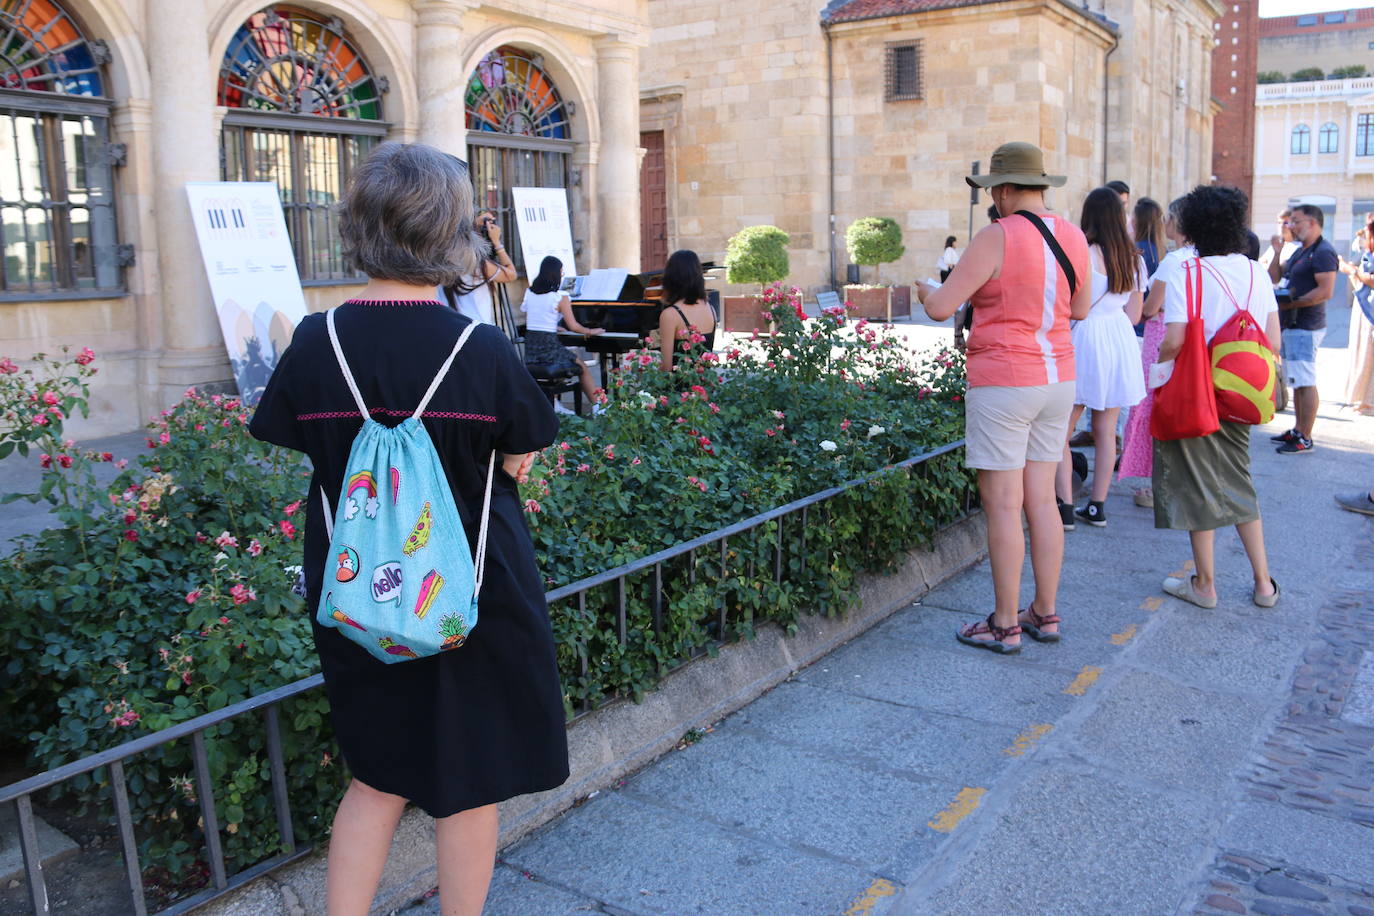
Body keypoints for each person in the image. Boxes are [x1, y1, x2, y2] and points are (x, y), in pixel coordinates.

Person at [248, 142, 568, 914]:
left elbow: (295, 438)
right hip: (473, 595)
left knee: (376, 777)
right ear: (451, 233)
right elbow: (524, 449)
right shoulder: (480, 350)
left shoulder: (315, 343)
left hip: (357, 595)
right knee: (471, 785)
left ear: (359, 226)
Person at [917, 141, 1091, 654]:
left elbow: (940, 307)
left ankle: (1003, 623)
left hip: (1004, 381)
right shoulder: (1074, 236)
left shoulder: (997, 235)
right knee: (1043, 499)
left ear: (1008, 189)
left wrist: (927, 291)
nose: (995, 198)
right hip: (1058, 378)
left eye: (996, 190)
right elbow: (1079, 306)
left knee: (1002, 505)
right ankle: (1045, 612)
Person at [1153, 184, 1280, 610]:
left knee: (1197, 485)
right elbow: (1273, 339)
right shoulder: (1256, 272)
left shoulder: (1187, 273)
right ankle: (1264, 583)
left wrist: (1157, 370)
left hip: (1196, 393)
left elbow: (1173, 341)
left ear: (1193, 226)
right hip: (1241, 394)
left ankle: (1204, 585)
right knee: (1238, 481)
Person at [1055, 187, 1146, 529]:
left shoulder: (1083, 252)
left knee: (1062, 429)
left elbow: (1070, 305)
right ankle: (1097, 506)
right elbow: (1135, 315)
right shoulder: (1134, 258)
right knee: (1106, 430)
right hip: (1119, 338)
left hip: (1085, 337)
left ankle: (1064, 506)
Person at [1119, 198, 1195, 509]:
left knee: (1154, 408)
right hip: (1191, 335)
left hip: (1162, 336)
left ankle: (1159, 486)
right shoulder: (1199, 258)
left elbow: (1150, 307)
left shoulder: (1173, 261)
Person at [1266, 203, 1337, 454]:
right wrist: (1277, 251)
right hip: (1294, 322)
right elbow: (1275, 277)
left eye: (1295, 221)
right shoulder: (1300, 250)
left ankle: (1305, 437)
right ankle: (1298, 430)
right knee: (1297, 381)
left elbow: (1325, 291)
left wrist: (1291, 303)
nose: (1290, 226)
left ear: (1313, 223)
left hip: (1306, 324)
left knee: (1306, 382)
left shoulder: (1323, 251)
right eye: (1289, 222)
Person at [520, 255, 605, 407]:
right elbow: (574, 327)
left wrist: (553, 326)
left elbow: (533, 320)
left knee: (564, 363)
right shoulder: (560, 297)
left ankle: (556, 406)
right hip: (548, 347)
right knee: (582, 367)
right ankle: (598, 406)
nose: (562, 275)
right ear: (555, 273)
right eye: (561, 272)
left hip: (531, 349)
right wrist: (591, 331)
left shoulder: (529, 293)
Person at [440, 209, 516, 324]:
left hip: (449, 324)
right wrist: (496, 242)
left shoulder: (436, 260)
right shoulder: (478, 266)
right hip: (476, 325)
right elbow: (511, 274)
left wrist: (474, 223)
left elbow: (453, 232)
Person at [655, 249, 717, 370]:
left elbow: (666, 368)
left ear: (670, 277)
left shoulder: (670, 315)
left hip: (679, 386)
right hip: (704, 385)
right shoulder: (711, 308)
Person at [1338, 213, 1374, 415]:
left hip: (1370, 311)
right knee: (1363, 353)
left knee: (1368, 354)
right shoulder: (1368, 251)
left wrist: (1351, 270)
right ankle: (1363, 400)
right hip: (1366, 307)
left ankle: (1368, 402)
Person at [1258, 207, 1298, 274]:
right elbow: (1261, 262)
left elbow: (1283, 269)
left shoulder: (1298, 247)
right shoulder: (1277, 244)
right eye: (1279, 223)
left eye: (1285, 223)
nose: (1281, 226)